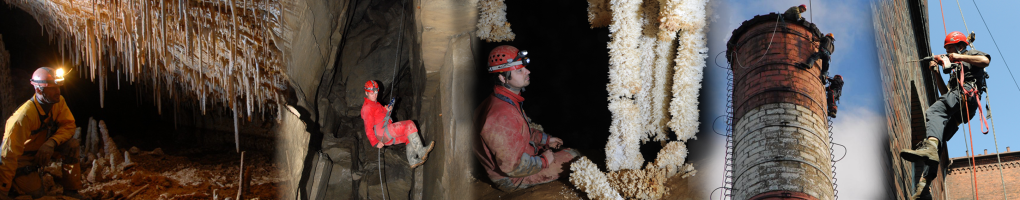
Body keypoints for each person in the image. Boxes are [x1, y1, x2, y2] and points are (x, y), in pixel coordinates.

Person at [473, 45, 579, 192]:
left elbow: (519, 132)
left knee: (562, 152)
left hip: (517, 161)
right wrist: (544, 160)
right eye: (519, 70)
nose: (527, 71)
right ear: (503, 77)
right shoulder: (501, 115)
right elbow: (512, 167)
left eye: (524, 67)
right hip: (512, 178)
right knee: (575, 157)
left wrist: (546, 140)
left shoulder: (503, 99)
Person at [899, 31, 990, 199]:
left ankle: (929, 149)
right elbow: (945, 92)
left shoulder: (969, 54)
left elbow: (985, 61)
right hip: (960, 105)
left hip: (967, 94)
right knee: (937, 139)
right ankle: (924, 188)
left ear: (961, 46)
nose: (948, 53)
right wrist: (936, 72)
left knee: (934, 111)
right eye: (947, 50)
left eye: (950, 49)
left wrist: (957, 57)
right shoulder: (956, 67)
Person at [1, 67, 85, 199]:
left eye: (58, 87)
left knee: (72, 145)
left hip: (43, 148)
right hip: (23, 159)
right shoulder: (22, 118)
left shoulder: (58, 102)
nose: (58, 92)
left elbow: (69, 125)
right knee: (37, 195)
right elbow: (8, 155)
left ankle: (71, 190)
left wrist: (52, 142)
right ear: (39, 89)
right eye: (52, 88)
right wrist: (2, 191)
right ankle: (13, 185)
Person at [360, 80, 434, 168]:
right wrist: (375, 143)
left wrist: (387, 109)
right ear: (366, 93)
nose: (375, 95)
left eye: (376, 92)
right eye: (372, 93)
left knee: (408, 137)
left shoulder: (375, 104)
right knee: (409, 124)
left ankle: (412, 160)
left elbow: (379, 114)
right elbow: (368, 128)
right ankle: (421, 151)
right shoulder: (367, 107)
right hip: (383, 131)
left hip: (385, 136)